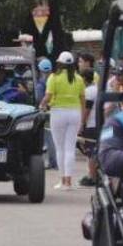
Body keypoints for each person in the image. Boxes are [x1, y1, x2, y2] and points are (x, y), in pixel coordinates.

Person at [41, 50, 84, 191]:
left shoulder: (54, 77)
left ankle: (62, 181)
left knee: (60, 148)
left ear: (59, 63)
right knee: (70, 148)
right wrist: (82, 119)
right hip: (75, 113)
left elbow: (48, 97)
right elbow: (82, 100)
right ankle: (69, 182)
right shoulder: (79, 79)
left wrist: (41, 105)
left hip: (58, 113)